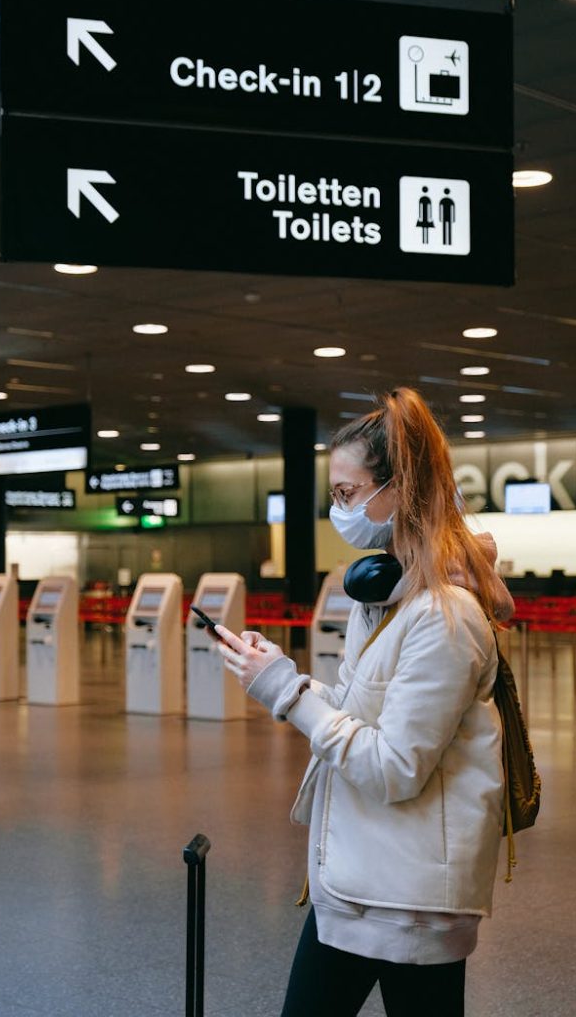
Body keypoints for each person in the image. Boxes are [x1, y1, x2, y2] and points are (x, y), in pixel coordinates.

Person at [214, 388, 511, 1017]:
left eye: (348, 494)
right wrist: (277, 677)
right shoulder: (387, 599)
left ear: (399, 490)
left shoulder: (444, 617)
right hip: (359, 883)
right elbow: (358, 709)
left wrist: (290, 693)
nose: (338, 510)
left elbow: (392, 767)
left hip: (408, 900)